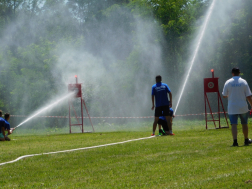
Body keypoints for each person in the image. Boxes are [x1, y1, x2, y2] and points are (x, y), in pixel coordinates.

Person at [222, 67, 252, 146]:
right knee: (244, 124)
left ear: (232, 73)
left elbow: (224, 95)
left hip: (232, 107)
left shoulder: (228, 82)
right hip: (243, 106)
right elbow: (248, 96)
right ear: (239, 73)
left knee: (234, 124)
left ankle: (235, 142)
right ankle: (246, 140)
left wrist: (230, 94)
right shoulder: (244, 82)